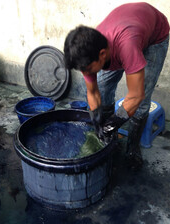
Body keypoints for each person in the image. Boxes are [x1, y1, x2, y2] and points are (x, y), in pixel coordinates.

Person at [64, 2, 169, 169]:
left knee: (141, 103)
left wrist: (112, 123)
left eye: (88, 69)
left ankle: (133, 149)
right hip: (130, 27)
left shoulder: (127, 46)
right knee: (104, 89)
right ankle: (108, 139)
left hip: (155, 36)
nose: (87, 73)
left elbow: (136, 96)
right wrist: (97, 119)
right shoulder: (87, 53)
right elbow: (93, 92)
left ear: (102, 55)